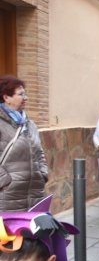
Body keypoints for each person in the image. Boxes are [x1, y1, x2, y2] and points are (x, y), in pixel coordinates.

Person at [0, 75, 48, 212]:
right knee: (10, 233)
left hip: (35, 195)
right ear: (6, 98)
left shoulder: (29, 123)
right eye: (21, 94)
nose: (26, 98)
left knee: (32, 233)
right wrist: (5, 183)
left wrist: (42, 173)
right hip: (7, 197)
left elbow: (39, 152)